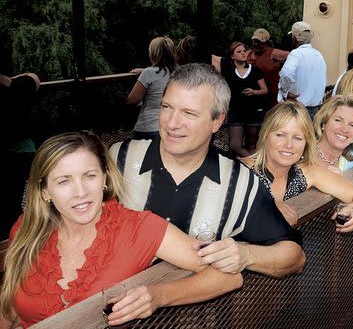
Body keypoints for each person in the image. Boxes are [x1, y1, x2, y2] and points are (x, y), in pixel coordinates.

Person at [0, 131, 242, 328]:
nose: (81, 192)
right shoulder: (26, 230)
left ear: (105, 178)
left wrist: (159, 296)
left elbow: (227, 276)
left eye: (90, 176)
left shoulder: (137, 227)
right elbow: (9, 308)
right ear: (44, 192)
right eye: (64, 181)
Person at [109, 63, 305, 278]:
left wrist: (247, 254)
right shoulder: (119, 158)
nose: (172, 123)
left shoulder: (239, 183)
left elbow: (294, 256)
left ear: (217, 121)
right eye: (166, 107)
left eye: (189, 113)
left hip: (197, 312)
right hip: (97, 309)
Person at [244, 101, 353, 232]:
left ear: (306, 143)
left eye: (298, 138)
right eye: (280, 135)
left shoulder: (307, 172)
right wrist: (269, 205)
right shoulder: (242, 171)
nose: (289, 145)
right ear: (265, 136)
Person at [0, 72, 40, 238]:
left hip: (12, 156)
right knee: (11, 207)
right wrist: (12, 80)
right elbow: (34, 78)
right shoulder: (18, 89)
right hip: (20, 154)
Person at [215, 41, 268, 157]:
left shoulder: (255, 70)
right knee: (235, 145)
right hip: (235, 112)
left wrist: (254, 92)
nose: (243, 53)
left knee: (251, 144)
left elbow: (264, 90)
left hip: (253, 112)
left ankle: (250, 170)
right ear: (232, 56)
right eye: (239, 52)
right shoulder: (227, 70)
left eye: (244, 51)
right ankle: (253, 165)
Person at [127, 36, 177, 139]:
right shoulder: (180, 73)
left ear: (153, 53)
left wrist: (144, 74)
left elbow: (131, 100)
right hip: (171, 128)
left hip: (148, 128)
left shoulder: (148, 73)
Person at [278, 22, 327, 119]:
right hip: (317, 110)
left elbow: (286, 73)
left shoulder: (296, 54)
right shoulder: (318, 55)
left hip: (299, 109)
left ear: (294, 38)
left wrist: (285, 93)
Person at [247, 28, 288, 107]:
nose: (256, 44)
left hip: (271, 100)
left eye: (259, 42)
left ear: (266, 43)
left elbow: (294, 57)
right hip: (252, 99)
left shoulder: (273, 53)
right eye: (254, 41)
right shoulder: (247, 54)